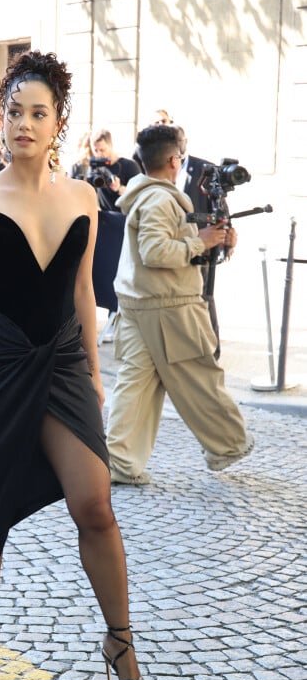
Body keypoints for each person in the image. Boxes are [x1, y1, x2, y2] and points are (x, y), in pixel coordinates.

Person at [0, 50, 153, 680]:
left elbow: (83, 290)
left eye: (38, 113)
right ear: (1, 118)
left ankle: (120, 639)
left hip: (63, 363)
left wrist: (96, 375)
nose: (24, 123)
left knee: (96, 503)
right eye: (14, 111)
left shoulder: (83, 197)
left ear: (58, 124)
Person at [105, 124, 254, 485]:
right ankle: (229, 446)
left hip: (139, 302)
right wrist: (199, 242)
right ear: (174, 160)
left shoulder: (145, 194)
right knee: (199, 376)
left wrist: (210, 239)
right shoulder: (159, 199)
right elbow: (155, 252)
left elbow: (164, 244)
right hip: (168, 305)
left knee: (135, 384)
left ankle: (120, 463)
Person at [174, 125, 224, 358]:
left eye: (180, 141)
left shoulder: (204, 168)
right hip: (175, 245)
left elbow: (220, 207)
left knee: (205, 296)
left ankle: (212, 351)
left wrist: (225, 240)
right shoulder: (156, 170)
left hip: (202, 245)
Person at [90, 128, 140, 210]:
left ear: (111, 146)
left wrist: (120, 188)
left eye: (102, 150)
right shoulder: (95, 168)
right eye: (95, 150)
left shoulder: (129, 166)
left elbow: (140, 196)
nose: (98, 154)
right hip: (105, 217)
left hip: (125, 217)